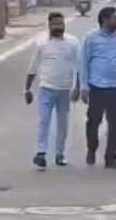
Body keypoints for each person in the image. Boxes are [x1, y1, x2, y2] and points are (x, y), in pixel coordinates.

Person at [25, 13, 80, 170]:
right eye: (55, 24)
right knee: (44, 121)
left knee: (63, 124)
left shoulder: (73, 42)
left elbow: (79, 67)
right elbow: (33, 67)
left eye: (61, 24)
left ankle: (60, 154)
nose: (59, 27)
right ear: (49, 25)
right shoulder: (41, 43)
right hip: (46, 88)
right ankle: (41, 153)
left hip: (64, 89)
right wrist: (27, 88)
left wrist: (78, 87)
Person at [80, 6, 116, 169]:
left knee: (115, 124)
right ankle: (92, 148)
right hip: (97, 86)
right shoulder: (91, 38)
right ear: (105, 20)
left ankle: (111, 157)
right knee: (94, 121)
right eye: (115, 18)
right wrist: (84, 86)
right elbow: (84, 63)